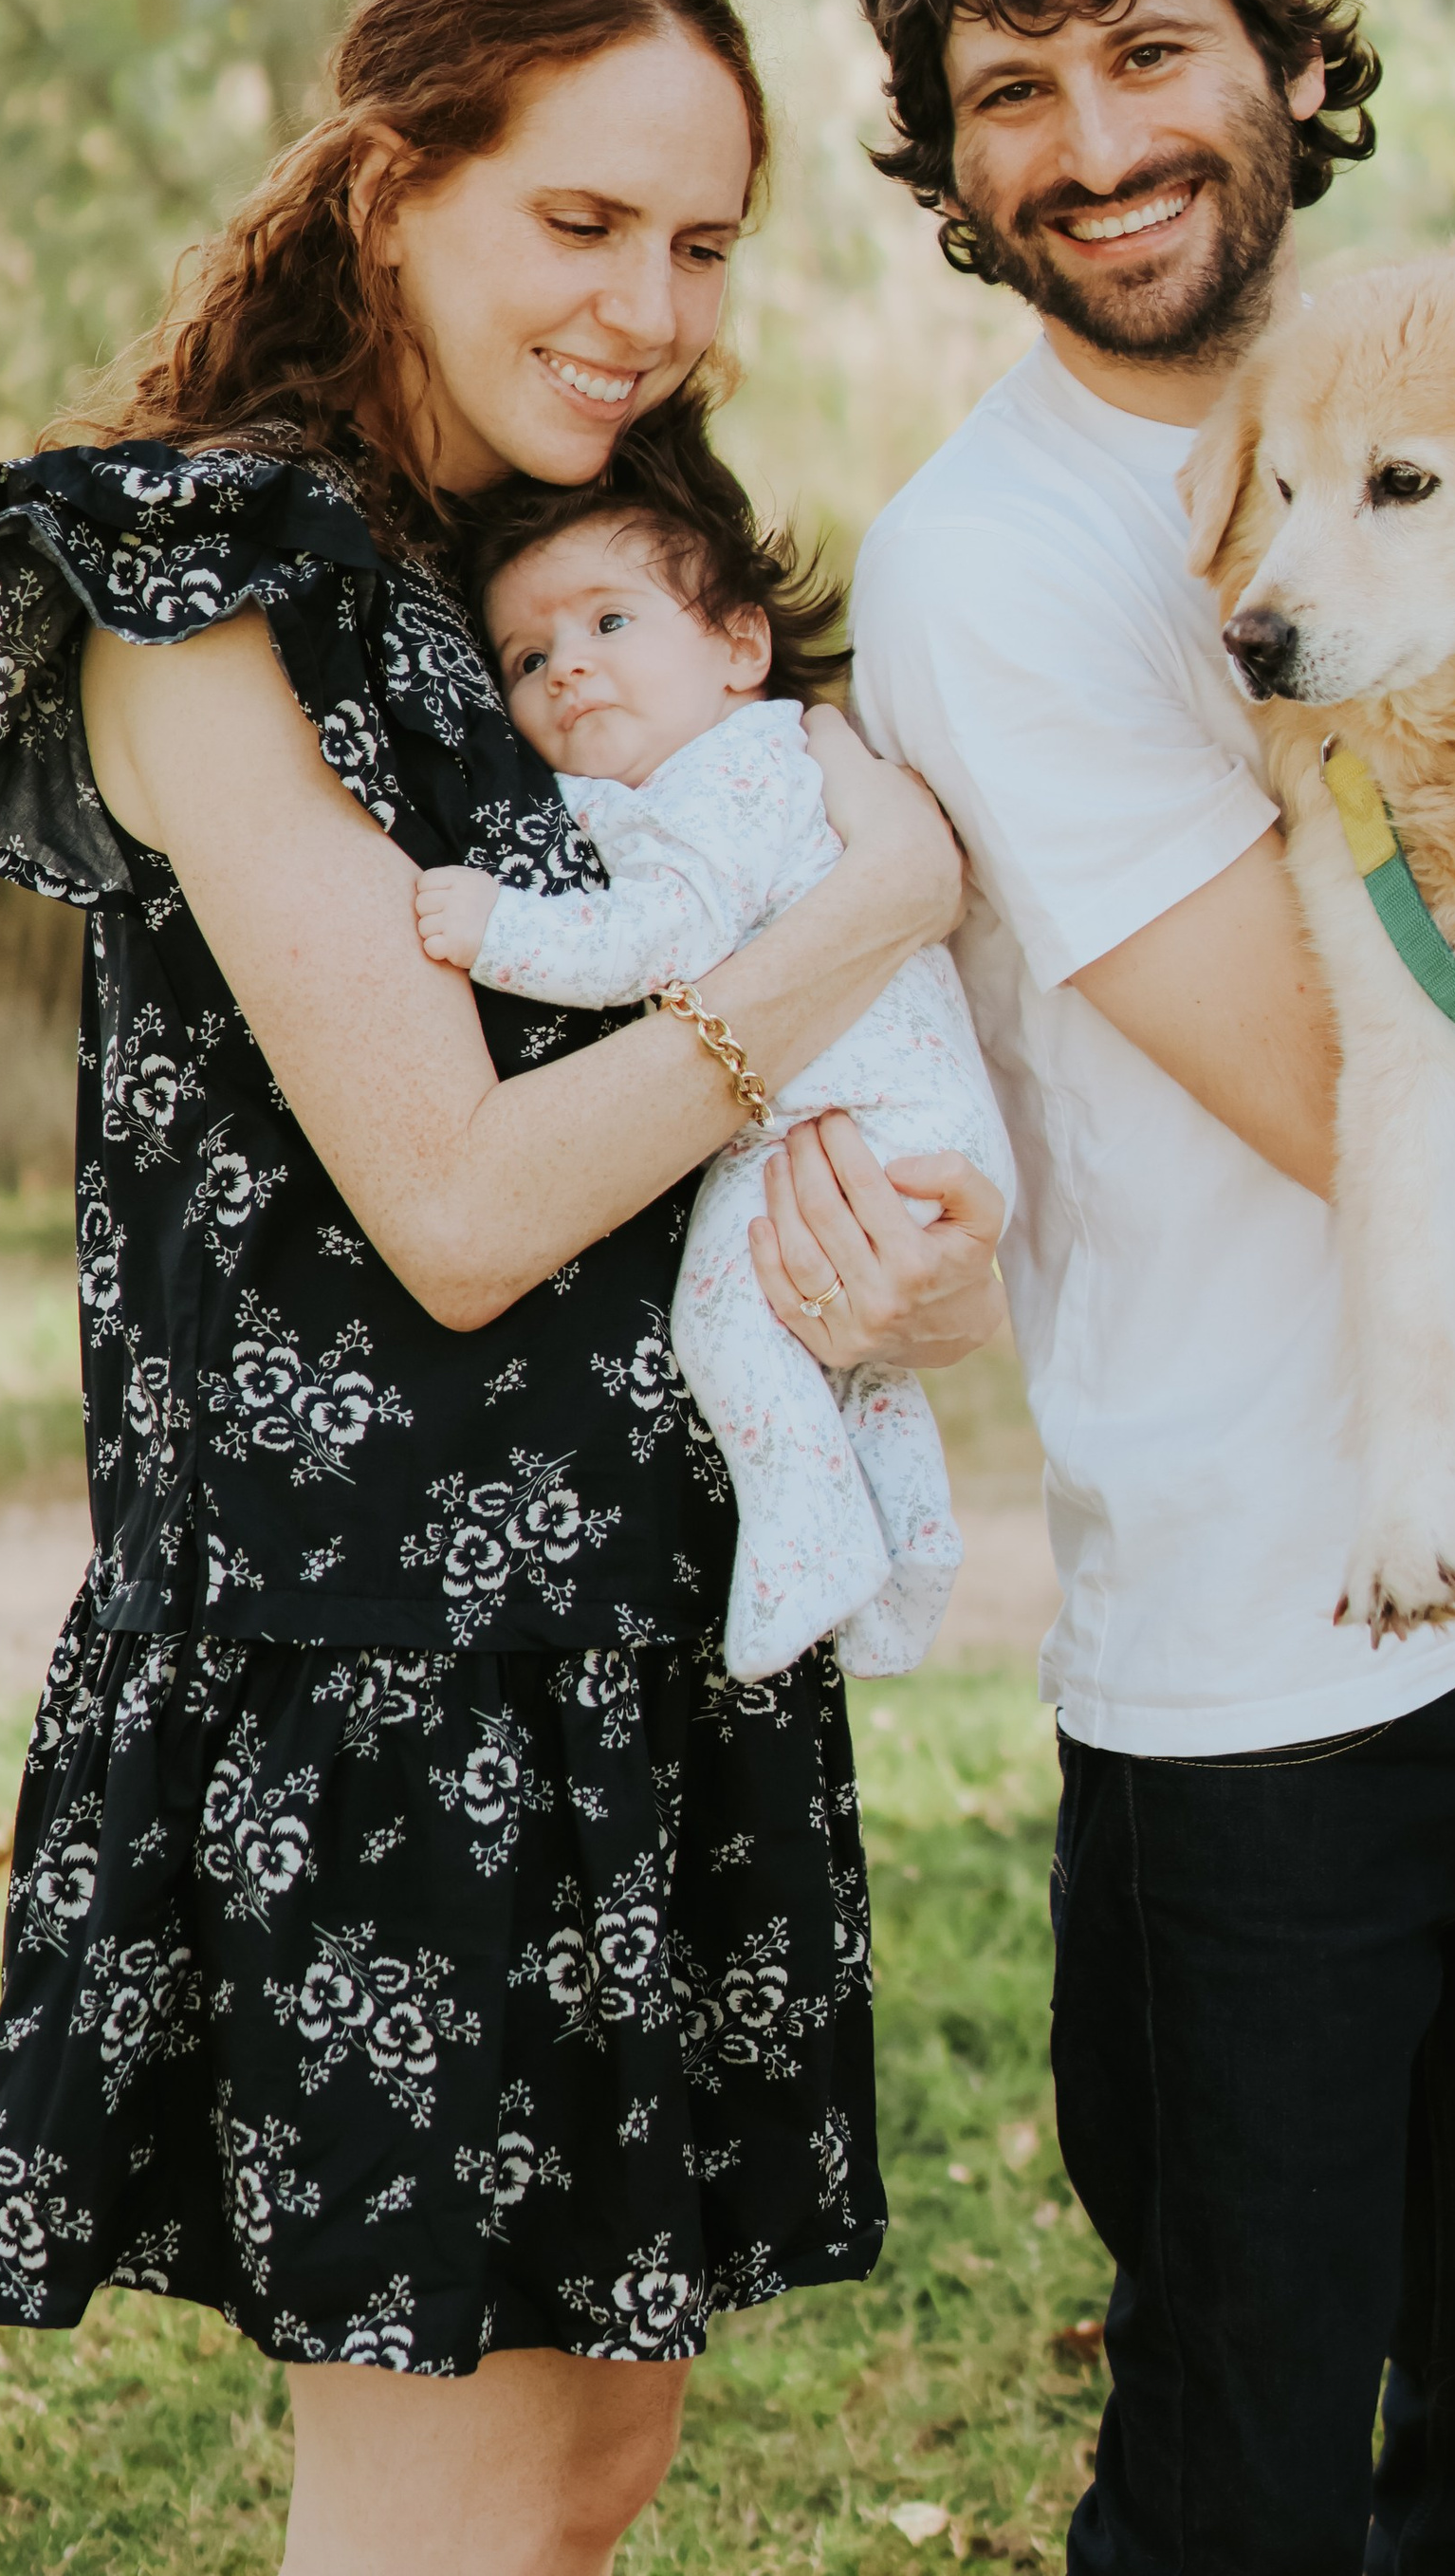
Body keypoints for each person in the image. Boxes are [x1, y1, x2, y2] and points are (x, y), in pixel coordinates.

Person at [0, 0, 1006, 2576]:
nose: (653, 304)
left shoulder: (588, 587)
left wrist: (903, 1275)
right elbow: (462, 1206)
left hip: (641, 1655)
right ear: (396, 186)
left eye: (708, 243)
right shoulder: (202, 587)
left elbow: (751, 1163)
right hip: (384, 1692)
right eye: (586, 222)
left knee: (590, 2474)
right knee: (433, 2516)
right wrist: (875, 908)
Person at [848, 0, 1455, 2576]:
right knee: (1241, 2485)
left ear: (1277, 51)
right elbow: (1371, 1082)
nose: (1096, 143)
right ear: (949, 153)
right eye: (1012, 89)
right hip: (1268, 1673)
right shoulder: (992, 566)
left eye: (1149, 48)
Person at [409, 417, 1014, 1681]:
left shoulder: (726, 778)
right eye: (527, 656)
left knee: (729, 1330)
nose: (566, 670)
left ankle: (808, 1546)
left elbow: (663, 936)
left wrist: (495, 926)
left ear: (742, 647)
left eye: (609, 624)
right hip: (888, 1121)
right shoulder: (738, 764)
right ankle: (902, 1555)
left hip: (849, 1116)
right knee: (848, 1351)